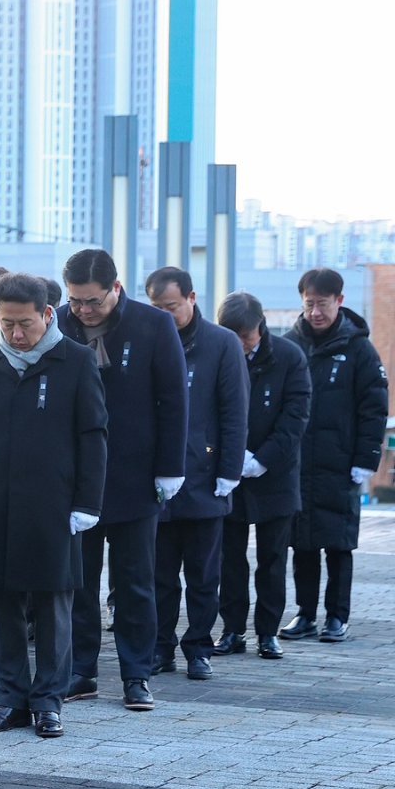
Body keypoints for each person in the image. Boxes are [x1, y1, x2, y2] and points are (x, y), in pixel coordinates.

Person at [0, 274, 107, 740]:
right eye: (6, 324)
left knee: (52, 606)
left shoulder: (76, 360)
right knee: (2, 605)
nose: (15, 334)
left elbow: (93, 436)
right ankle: (10, 699)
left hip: (55, 506)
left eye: (24, 323)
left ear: (48, 315)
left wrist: (87, 501)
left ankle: (49, 700)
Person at [56, 249, 188, 713]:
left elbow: (173, 401)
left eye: (92, 301)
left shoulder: (154, 325)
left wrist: (170, 468)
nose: (83, 311)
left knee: (136, 582)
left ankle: (137, 673)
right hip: (77, 478)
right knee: (79, 582)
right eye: (75, 301)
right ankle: (81, 670)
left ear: (115, 288)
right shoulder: (58, 323)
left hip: (135, 473)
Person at [144, 267, 249, 680]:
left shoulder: (221, 343)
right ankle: (161, 647)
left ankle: (199, 647)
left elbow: (234, 411)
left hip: (205, 476)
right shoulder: (150, 339)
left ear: (191, 298)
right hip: (157, 481)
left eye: (171, 307)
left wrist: (230, 470)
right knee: (159, 576)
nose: (165, 315)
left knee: (204, 576)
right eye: (157, 308)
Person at [281, 268, 388, 644]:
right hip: (298, 465)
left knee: (339, 545)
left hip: (341, 464)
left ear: (339, 302)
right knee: (303, 544)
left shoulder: (358, 348)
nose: (315, 313)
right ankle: (305, 614)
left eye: (322, 304)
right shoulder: (292, 345)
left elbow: (374, 409)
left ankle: (337, 617)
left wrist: (365, 460)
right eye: (309, 304)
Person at [216, 292, 310, 660]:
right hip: (229, 473)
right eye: (232, 336)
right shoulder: (219, 353)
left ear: (260, 327)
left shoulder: (289, 357)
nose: (239, 344)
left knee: (273, 558)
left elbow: (296, 416)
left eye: (246, 336)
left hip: (276, 474)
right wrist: (228, 457)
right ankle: (232, 629)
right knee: (229, 557)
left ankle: (267, 633)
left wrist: (262, 459)